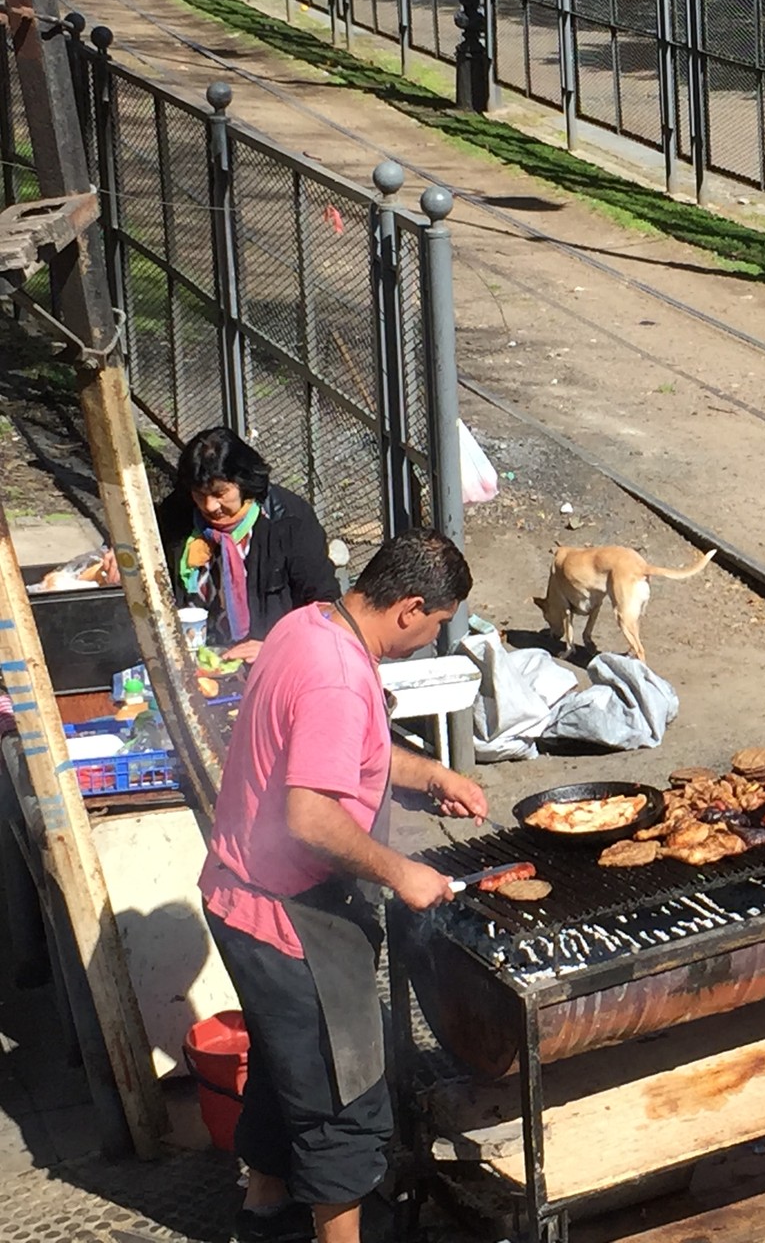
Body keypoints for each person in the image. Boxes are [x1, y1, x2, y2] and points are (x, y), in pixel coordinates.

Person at [199, 527, 486, 1243]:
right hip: (288, 916)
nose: (430, 640)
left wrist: (431, 776)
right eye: (437, 626)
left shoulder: (308, 625)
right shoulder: (337, 674)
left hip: (237, 895)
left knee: (282, 1058)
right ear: (410, 606)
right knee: (343, 1097)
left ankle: (265, 1211)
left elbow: (347, 752)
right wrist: (402, 871)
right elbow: (310, 816)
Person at [148, 426, 340, 663]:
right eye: (199, 495)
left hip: (272, 660)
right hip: (196, 658)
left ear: (243, 483)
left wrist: (277, 647)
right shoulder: (177, 513)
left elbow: (326, 606)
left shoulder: (290, 521)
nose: (209, 506)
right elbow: (146, 552)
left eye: (220, 493)